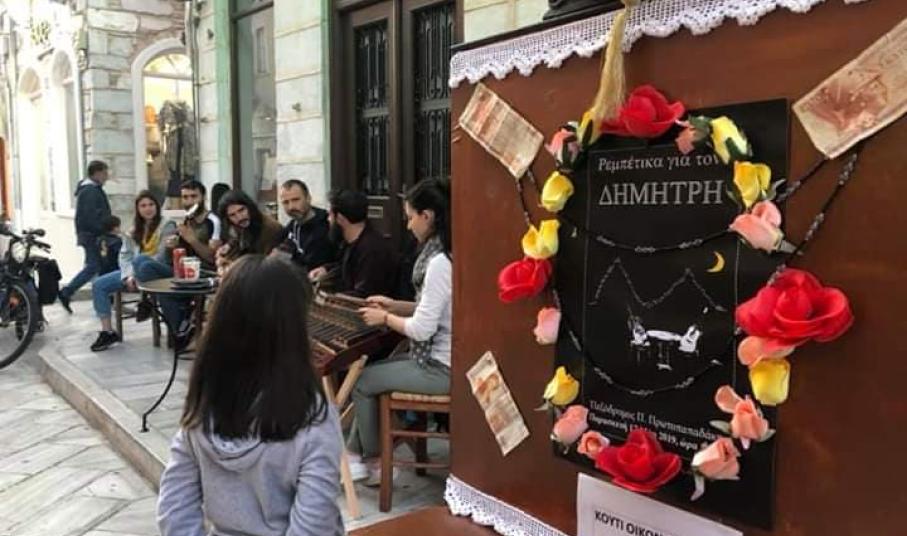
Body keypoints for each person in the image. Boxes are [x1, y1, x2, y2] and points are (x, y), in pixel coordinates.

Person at [157, 255, 344, 536]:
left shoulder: (204, 405)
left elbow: (174, 508)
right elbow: (314, 527)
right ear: (294, 329)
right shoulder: (312, 418)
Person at [348, 179, 452, 485]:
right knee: (375, 370)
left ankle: (375, 461)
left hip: (442, 368)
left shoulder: (439, 263)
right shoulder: (446, 254)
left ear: (427, 216)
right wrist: (394, 305)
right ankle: (355, 456)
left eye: (409, 217)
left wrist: (384, 317)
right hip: (442, 359)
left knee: (363, 382)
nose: (407, 226)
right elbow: (432, 309)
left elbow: (421, 329)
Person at [133, 180, 222, 349]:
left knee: (156, 281)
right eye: (185, 197)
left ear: (203, 197)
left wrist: (192, 239)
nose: (189, 201)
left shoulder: (213, 221)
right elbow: (182, 252)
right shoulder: (187, 220)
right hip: (183, 271)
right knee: (141, 261)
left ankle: (173, 322)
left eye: (194, 196)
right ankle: (179, 325)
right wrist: (173, 246)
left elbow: (212, 258)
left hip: (204, 275)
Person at [89, 192, 176, 352]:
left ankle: (146, 301)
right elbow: (125, 255)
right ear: (137, 209)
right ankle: (108, 332)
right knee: (99, 285)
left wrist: (135, 273)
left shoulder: (167, 225)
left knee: (141, 259)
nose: (148, 209)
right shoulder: (134, 230)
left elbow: (162, 255)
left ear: (157, 206)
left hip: (158, 270)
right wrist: (128, 275)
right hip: (134, 271)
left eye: (151, 205)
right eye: (143, 206)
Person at [309, 189, 397, 298]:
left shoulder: (372, 250)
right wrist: (326, 270)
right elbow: (346, 267)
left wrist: (328, 298)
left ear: (340, 218)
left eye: (330, 215)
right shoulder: (350, 242)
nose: (328, 220)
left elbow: (364, 294)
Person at [59, 160, 112, 313]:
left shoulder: (91, 189)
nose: (107, 177)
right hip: (92, 235)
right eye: (105, 173)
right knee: (94, 266)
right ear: (97, 173)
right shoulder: (90, 191)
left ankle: (105, 297)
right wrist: (104, 230)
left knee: (98, 265)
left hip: (91, 235)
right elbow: (90, 217)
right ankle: (67, 292)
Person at [214, 190, 283, 273]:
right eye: (232, 215)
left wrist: (233, 267)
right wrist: (225, 255)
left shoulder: (270, 229)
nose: (239, 217)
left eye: (241, 210)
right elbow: (237, 245)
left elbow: (267, 266)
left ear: (250, 207)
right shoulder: (239, 226)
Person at [273, 180, 334, 273]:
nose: (291, 207)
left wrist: (326, 268)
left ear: (308, 198)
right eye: (285, 202)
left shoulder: (328, 224)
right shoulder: (290, 228)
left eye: (296, 200)